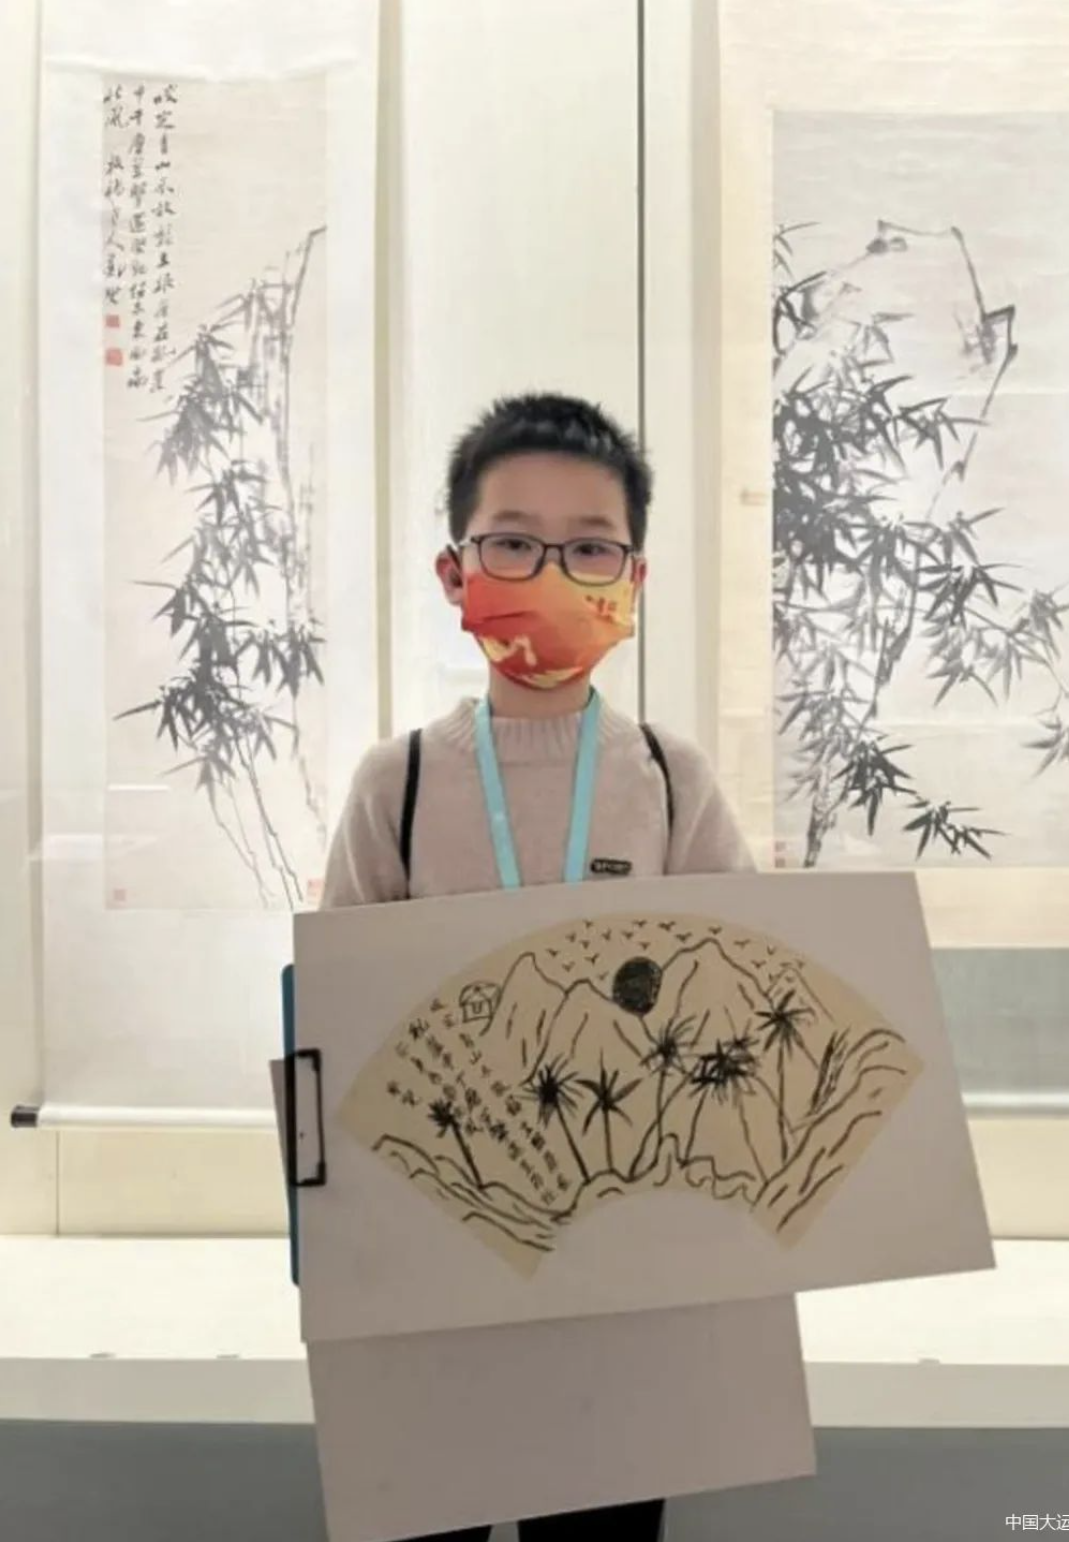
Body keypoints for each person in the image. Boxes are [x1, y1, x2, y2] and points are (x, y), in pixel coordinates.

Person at [322, 390, 755, 1541]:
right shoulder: (398, 783)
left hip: (620, 1276)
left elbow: (743, 1021)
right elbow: (337, 1030)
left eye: (589, 548)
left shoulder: (668, 778)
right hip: (432, 1269)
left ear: (633, 578)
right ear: (453, 571)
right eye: (512, 543)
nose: (552, 575)